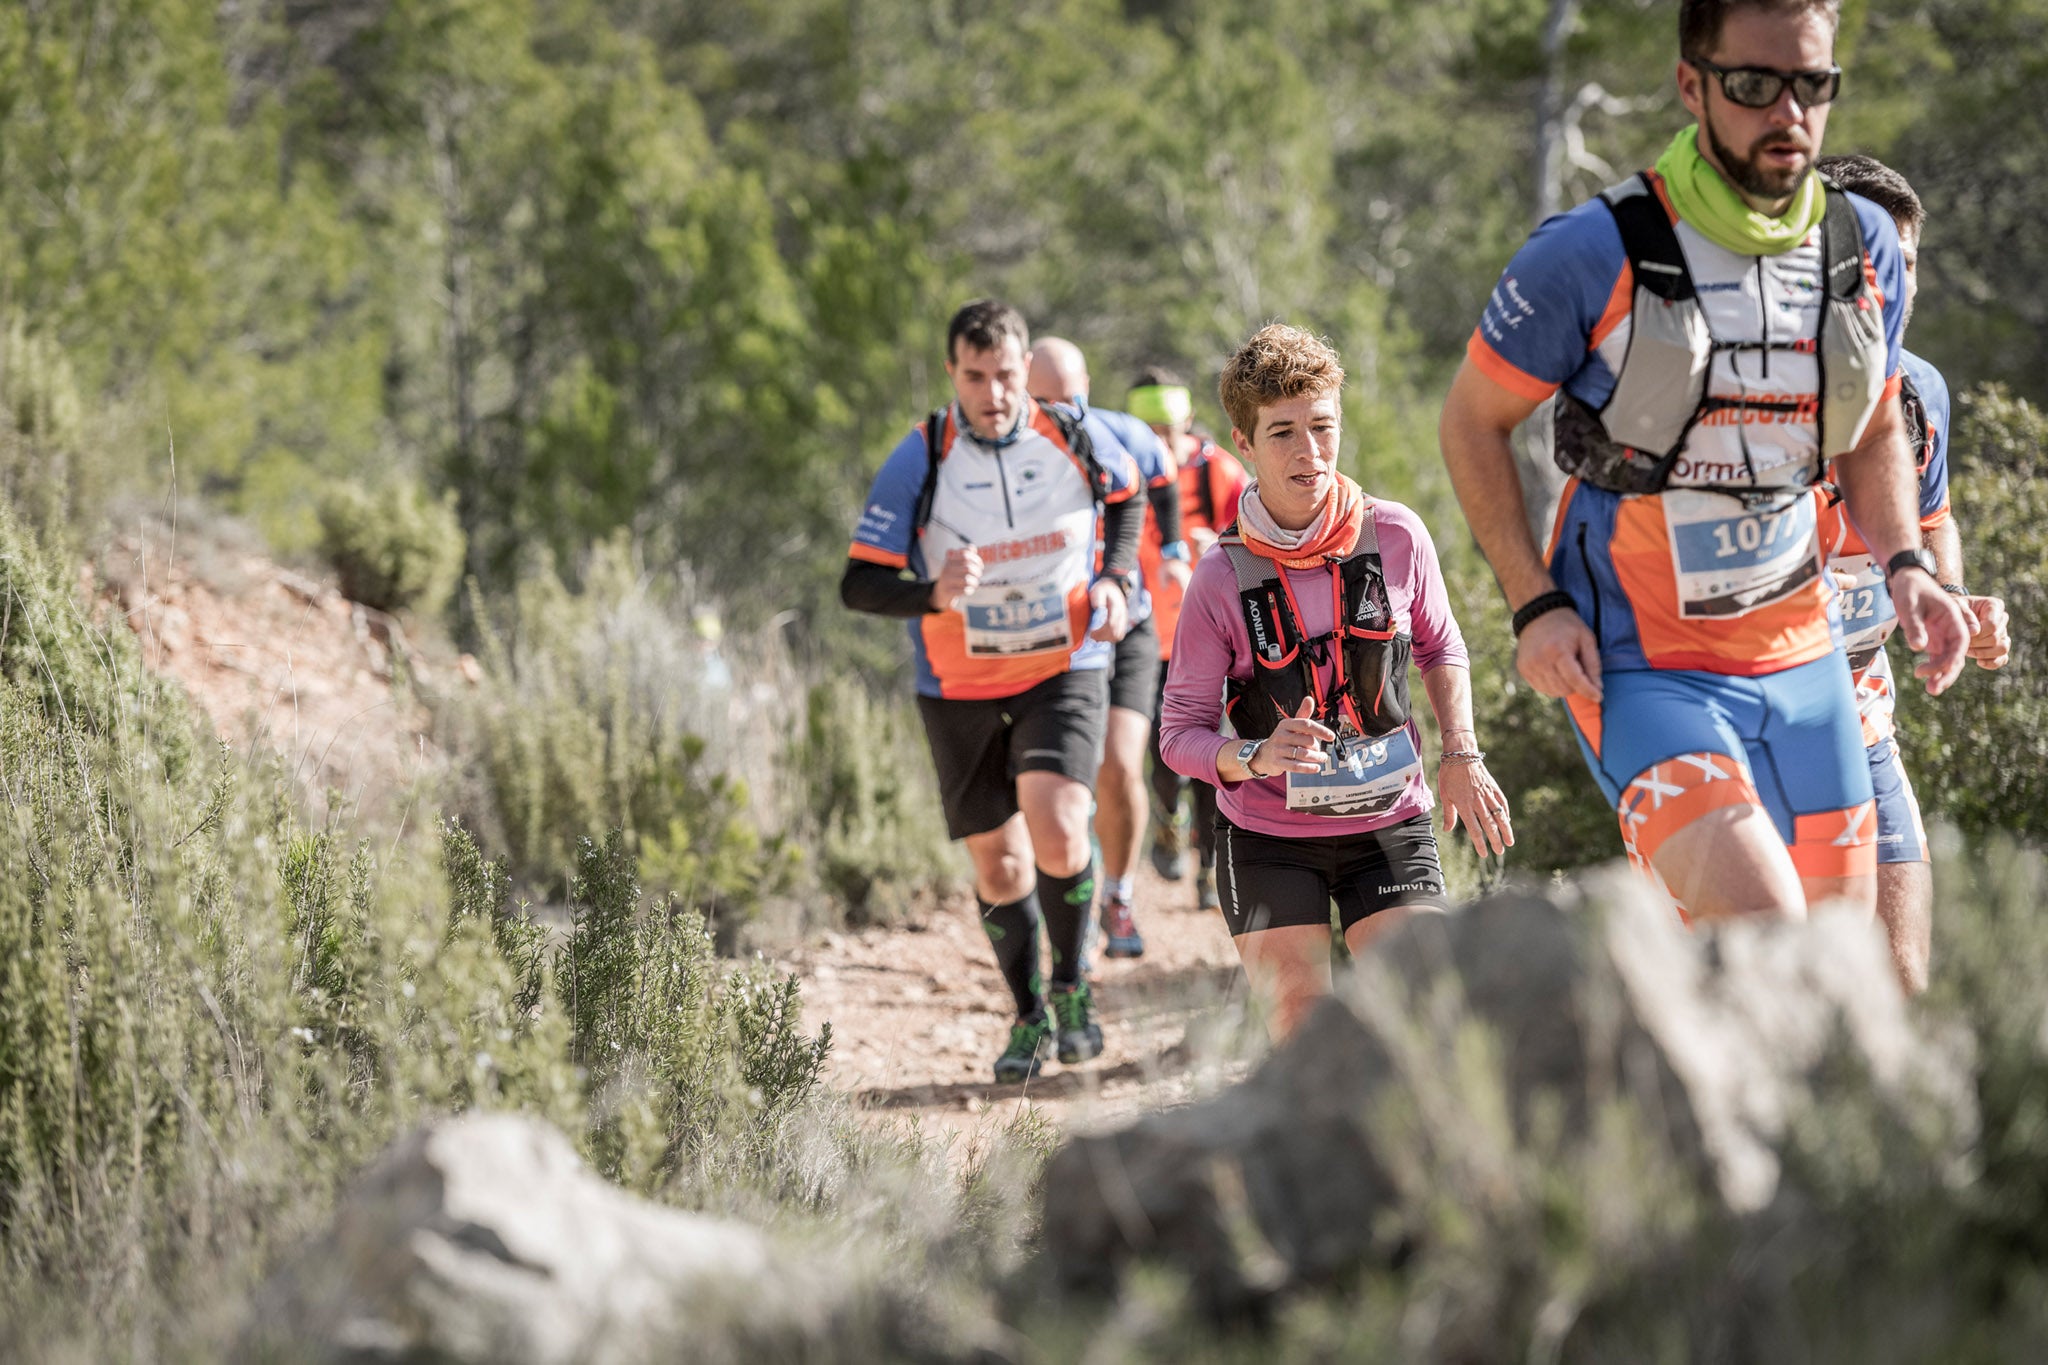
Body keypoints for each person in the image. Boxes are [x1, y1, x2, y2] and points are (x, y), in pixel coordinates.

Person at [1438, 0, 1970, 922]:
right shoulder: (1592, 250)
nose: (1788, 113)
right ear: (1694, 86)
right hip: (1644, 666)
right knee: (1766, 926)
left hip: (1805, 664)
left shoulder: (1863, 241)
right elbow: (1469, 424)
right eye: (1755, 85)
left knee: (1835, 970)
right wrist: (1533, 604)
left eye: (1813, 85)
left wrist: (1909, 566)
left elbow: (1877, 426)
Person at [1160, 325, 1513, 1039]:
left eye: (1322, 426)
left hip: (1390, 819)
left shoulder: (1397, 535)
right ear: (1243, 442)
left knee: (1420, 1017)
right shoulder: (1219, 578)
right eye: (1283, 432)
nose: (1309, 452)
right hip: (1268, 834)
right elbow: (1179, 734)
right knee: (1305, 1030)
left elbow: (1442, 647)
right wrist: (1255, 754)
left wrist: (1461, 754)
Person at [841, 299, 1142, 1082]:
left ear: (1023, 370)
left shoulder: (1072, 432)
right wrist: (931, 593)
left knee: (1058, 818)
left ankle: (1074, 989)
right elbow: (859, 584)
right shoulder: (923, 456)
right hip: (959, 687)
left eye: (1005, 375)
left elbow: (1131, 498)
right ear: (953, 375)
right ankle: (1029, 1014)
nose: (993, 393)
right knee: (1002, 868)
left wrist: (1114, 579)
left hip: (1062, 665)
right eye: (975, 377)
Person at [1811, 152, 2011, 992]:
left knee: (1903, 979)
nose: (1891, 282)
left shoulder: (1922, 390)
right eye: (1871, 259)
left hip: (1863, 717)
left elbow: (1934, 522)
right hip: (1752, 728)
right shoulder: (1755, 387)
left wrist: (1954, 598)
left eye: (1908, 263)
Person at [1025, 338, 1185, 959]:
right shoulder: (1011, 454)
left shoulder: (1121, 434)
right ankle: (1077, 903)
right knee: (1072, 780)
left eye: (1072, 396)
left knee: (1120, 766)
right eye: (1046, 399)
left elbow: (1161, 484)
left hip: (1130, 621)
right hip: (1059, 632)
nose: (1063, 410)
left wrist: (1171, 554)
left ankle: (1119, 895)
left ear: (1088, 384)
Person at [1129, 367, 1251, 912]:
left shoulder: (1221, 473)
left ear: (1189, 424)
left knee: (1211, 754)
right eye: (1147, 431)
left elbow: (1261, 545)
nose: (1161, 442)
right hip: (1145, 640)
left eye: (1169, 429)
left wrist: (1219, 546)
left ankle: (1208, 866)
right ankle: (1167, 826)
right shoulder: (1118, 475)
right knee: (1161, 750)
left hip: (1211, 641)